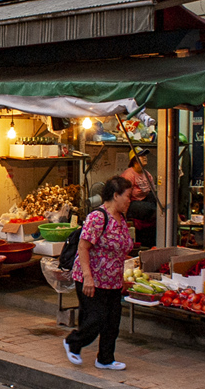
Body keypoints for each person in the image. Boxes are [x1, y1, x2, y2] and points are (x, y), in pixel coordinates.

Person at [63, 176, 134, 371]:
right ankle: (73, 343)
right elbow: (83, 247)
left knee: (112, 322)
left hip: (113, 281)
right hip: (92, 278)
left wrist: (121, 279)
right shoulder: (98, 217)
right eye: (127, 196)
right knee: (96, 318)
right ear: (115, 195)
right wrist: (88, 277)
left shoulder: (122, 219)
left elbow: (119, 252)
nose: (130, 200)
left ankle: (105, 359)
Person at [120, 148, 157, 247]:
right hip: (132, 204)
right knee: (152, 210)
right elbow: (124, 196)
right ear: (134, 160)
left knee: (160, 205)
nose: (145, 157)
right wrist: (123, 215)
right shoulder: (129, 175)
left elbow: (153, 192)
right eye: (142, 155)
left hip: (145, 202)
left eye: (145, 155)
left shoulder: (147, 174)